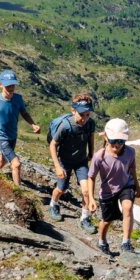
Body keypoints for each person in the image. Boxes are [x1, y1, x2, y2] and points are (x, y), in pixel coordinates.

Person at [88, 118, 140, 257]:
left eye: (121, 141)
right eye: (113, 141)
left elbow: (132, 169)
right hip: (108, 191)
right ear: (105, 137)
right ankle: (102, 241)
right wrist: (91, 199)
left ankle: (126, 242)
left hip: (126, 185)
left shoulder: (130, 152)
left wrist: (137, 185)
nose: (117, 144)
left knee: (128, 207)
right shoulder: (99, 156)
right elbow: (91, 177)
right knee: (107, 221)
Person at [47, 94, 97, 234]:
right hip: (65, 162)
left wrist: (91, 153)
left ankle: (85, 218)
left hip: (81, 162)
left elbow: (91, 137)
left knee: (87, 191)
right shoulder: (66, 125)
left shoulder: (90, 123)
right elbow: (53, 145)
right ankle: (53, 204)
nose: (85, 118)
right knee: (61, 189)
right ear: (73, 110)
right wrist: (57, 166)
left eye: (87, 114)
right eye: (82, 114)